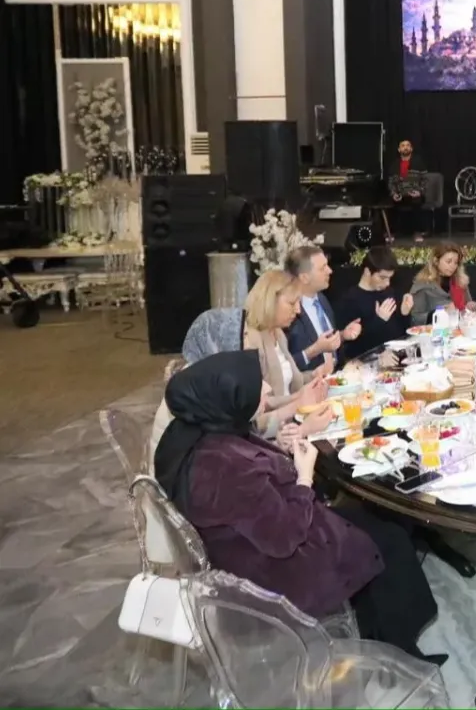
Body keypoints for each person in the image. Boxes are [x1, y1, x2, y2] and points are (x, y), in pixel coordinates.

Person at [153, 352, 442, 663]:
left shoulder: (205, 434)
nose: (267, 388)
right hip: (272, 572)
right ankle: (400, 654)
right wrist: (304, 476)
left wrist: (280, 451)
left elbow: (253, 494)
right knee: (389, 540)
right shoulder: (223, 468)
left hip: (254, 545)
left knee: (376, 522)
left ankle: (384, 639)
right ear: (229, 398)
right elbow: (284, 537)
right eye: (258, 384)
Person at [242, 269, 336, 438]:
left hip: (294, 425)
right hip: (276, 437)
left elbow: (289, 381)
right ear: (270, 301)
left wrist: (313, 375)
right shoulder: (250, 341)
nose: (298, 310)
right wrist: (298, 400)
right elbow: (255, 418)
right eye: (292, 303)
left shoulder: (277, 333)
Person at [149, 308, 245, 456]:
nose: (246, 342)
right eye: (243, 335)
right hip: (179, 467)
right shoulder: (199, 391)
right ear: (217, 344)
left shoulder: (199, 374)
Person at [285, 246, 361, 373]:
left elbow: (326, 342)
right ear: (305, 277)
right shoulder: (288, 311)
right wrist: (315, 350)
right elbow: (282, 368)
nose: (330, 271)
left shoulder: (321, 298)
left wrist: (342, 335)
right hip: (309, 381)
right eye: (322, 268)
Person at [335, 246, 412, 359]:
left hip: (397, 356)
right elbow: (353, 346)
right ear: (367, 272)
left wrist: (405, 314)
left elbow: (402, 332)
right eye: (382, 278)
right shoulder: (350, 300)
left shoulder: (390, 292)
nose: (387, 283)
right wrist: (379, 320)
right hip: (369, 362)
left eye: (390, 278)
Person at [410, 241, 475, 324]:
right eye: (448, 261)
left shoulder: (461, 281)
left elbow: (468, 306)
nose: (453, 266)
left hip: (460, 328)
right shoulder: (423, 284)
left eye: (456, 263)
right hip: (434, 331)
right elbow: (415, 318)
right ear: (436, 261)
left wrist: (470, 307)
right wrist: (438, 313)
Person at [387, 139, 430, 240]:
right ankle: (390, 233)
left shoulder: (418, 162)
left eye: (407, 145)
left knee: (417, 203)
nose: (405, 147)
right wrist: (394, 193)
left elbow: (425, 180)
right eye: (403, 146)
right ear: (399, 149)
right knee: (390, 204)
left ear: (411, 148)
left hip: (415, 194)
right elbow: (390, 183)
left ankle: (417, 232)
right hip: (400, 194)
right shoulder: (394, 165)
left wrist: (420, 191)